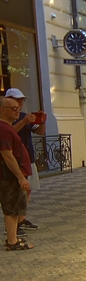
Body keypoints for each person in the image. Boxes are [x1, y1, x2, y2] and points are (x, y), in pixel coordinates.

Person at [6, 88, 45, 232]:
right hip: (16, 159)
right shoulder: (6, 118)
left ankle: (21, 220)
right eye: (17, 99)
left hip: (28, 157)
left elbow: (40, 132)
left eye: (21, 100)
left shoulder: (24, 116)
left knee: (27, 191)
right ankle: (12, 226)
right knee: (16, 192)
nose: (20, 103)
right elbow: (8, 133)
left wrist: (42, 121)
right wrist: (23, 121)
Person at [0, 95, 34, 250]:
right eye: (13, 108)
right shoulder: (3, 128)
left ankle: (12, 239)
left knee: (14, 208)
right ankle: (12, 241)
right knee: (12, 208)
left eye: (18, 108)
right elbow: (7, 155)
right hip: (9, 177)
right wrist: (20, 177)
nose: (17, 111)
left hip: (10, 176)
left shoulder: (6, 128)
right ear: (2, 110)